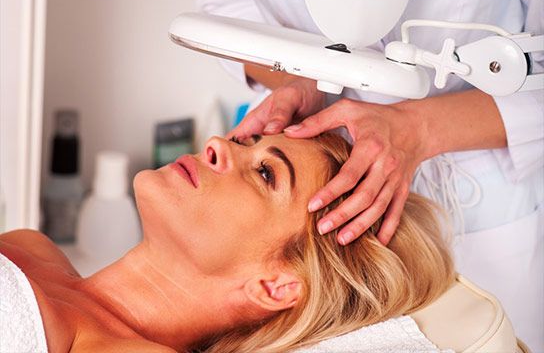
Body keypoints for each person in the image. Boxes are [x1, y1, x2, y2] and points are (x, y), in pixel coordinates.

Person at [144, 0, 543, 348]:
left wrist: (420, 129)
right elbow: (226, 5)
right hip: (324, 266)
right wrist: (312, 78)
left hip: (491, 227)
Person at [1, 133, 459, 352]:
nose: (217, 144)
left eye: (266, 173)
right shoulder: (32, 247)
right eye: (245, 142)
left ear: (276, 285)